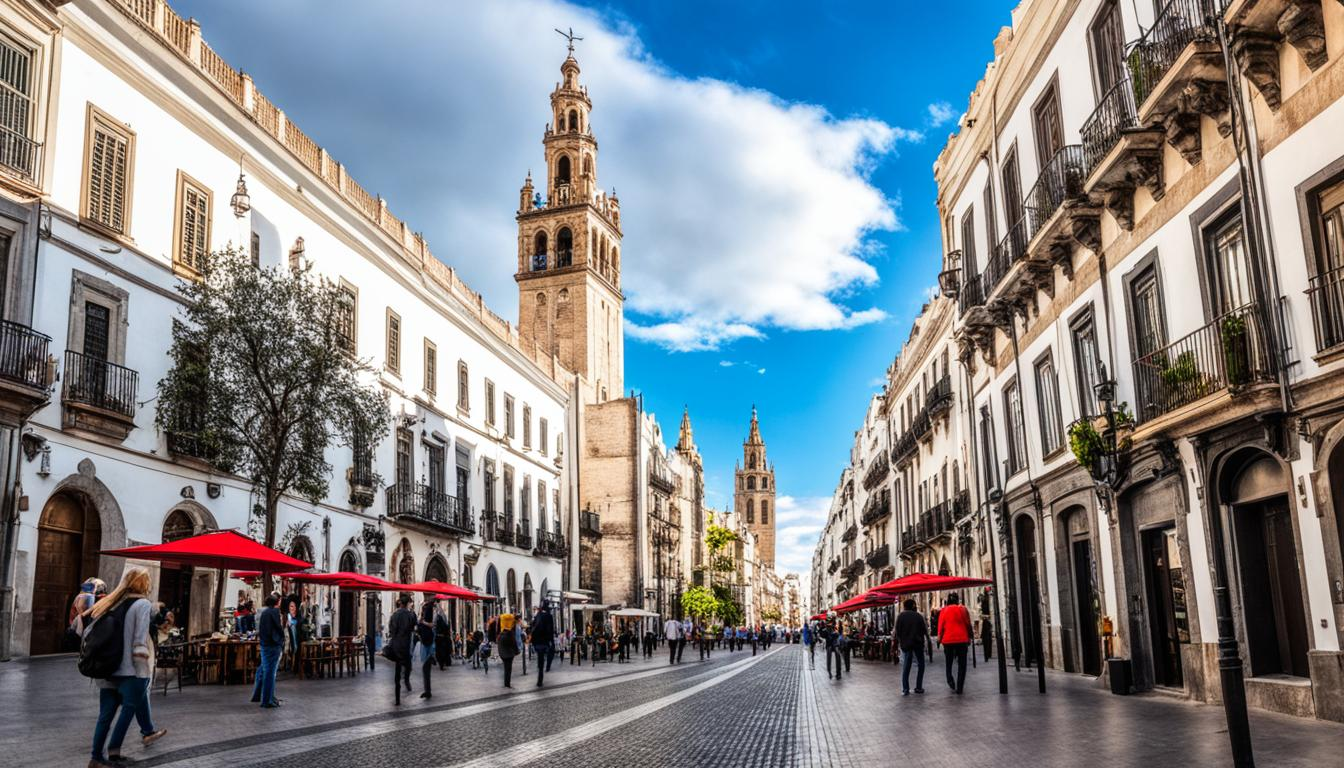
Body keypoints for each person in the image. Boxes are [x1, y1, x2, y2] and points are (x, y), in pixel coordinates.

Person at [87, 568, 167, 768]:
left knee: (105, 717)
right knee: (127, 712)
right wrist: (144, 671)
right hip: (131, 670)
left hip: (107, 669)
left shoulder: (112, 602)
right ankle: (113, 751)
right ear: (143, 584)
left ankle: (96, 757)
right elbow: (139, 640)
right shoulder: (142, 604)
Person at [250, 593, 284, 708]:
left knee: (265, 671)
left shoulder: (263, 612)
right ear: (277, 602)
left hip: (264, 644)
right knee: (270, 673)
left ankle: (263, 697)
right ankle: (267, 700)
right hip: (272, 645)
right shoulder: (274, 612)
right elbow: (278, 627)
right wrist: (280, 639)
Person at [937, 592, 973, 694]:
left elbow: (940, 627)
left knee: (949, 662)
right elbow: (968, 624)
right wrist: (970, 636)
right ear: (957, 600)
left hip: (948, 640)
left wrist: (939, 640)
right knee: (962, 664)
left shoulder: (944, 610)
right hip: (962, 639)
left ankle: (950, 679)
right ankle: (960, 687)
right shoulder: (962, 609)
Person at [895, 599, 928, 695]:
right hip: (918, 643)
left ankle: (905, 689)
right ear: (912, 606)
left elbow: (897, 631)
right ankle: (918, 687)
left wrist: (900, 641)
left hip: (906, 644)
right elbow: (924, 631)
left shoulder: (901, 616)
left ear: (904, 606)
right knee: (921, 665)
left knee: (906, 666)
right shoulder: (918, 616)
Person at [388, 596, 416, 705]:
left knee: (397, 671)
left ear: (400, 604)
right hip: (406, 645)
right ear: (408, 603)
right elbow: (414, 626)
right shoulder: (410, 615)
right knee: (408, 665)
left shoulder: (394, 615)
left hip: (396, 645)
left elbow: (391, 630)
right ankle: (407, 680)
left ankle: (397, 698)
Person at [416, 595, 437, 699]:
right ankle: (427, 690)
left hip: (428, 640)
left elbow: (432, 625)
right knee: (425, 668)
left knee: (425, 667)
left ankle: (427, 691)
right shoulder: (430, 608)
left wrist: (422, 622)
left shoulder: (432, 609)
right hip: (427, 639)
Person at [530, 603, 555, 687]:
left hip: (537, 641)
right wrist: (551, 641)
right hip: (545, 641)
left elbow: (532, 626)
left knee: (540, 658)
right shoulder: (549, 616)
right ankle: (545, 668)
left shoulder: (538, 615)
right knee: (547, 655)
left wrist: (532, 641)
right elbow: (551, 630)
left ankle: (540, 675)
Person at [497, 612, 519, 688]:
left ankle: (506, 683)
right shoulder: (510, 633)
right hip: (509, 654)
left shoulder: (501, 633)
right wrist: (517, 651)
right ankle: (507, 683)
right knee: (508, 668)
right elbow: (514, 643)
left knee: (506, 668)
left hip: (502, 653)